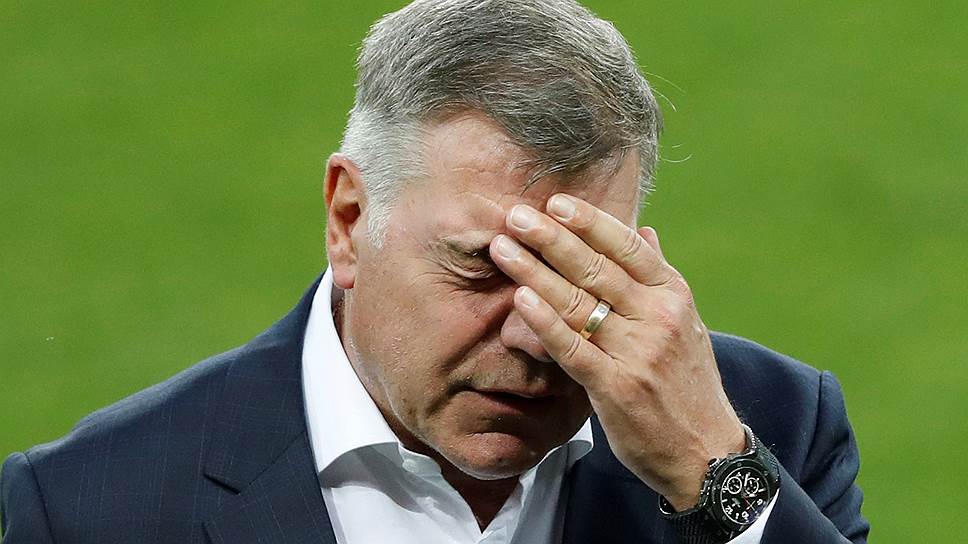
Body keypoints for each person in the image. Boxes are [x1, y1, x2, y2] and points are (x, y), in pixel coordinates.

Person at [0, 1, 869, 542]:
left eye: (577, 272)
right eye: (482, 268)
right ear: (349, 221)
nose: (537, 335)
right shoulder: (90, 509)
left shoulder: (769, 431)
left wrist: (713, 475)